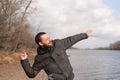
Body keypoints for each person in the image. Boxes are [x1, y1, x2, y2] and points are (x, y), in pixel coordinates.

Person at [20, 29, 92, 80]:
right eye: (46, 39)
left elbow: (71, 39)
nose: (50, 40)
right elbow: (32, 74)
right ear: (41, 43)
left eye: (48, 37)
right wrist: (24, 61)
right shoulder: (40, 58)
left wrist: (84, 35)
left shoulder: (58, 44)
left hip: (70, 78)